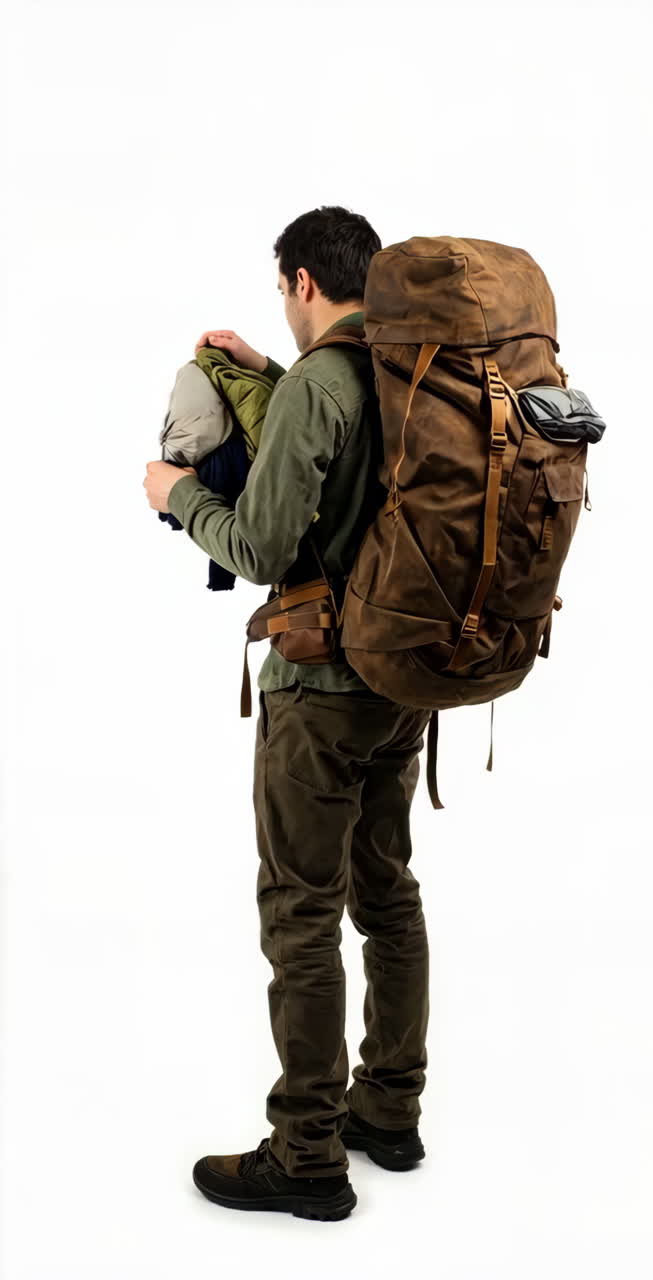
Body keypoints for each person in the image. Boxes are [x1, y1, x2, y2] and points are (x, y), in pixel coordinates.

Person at [144, 205, 431, 1221]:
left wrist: (177, 493)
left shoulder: (324, 380)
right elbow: (355, 460)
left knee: (301, 911)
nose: (283, 303)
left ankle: (306, 1149)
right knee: (385, 891)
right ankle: (389, 1110)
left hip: (320, 692)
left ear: (305, 280)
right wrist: (268, 365)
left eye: (282, 289)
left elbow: (262, 547)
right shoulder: (405, 367)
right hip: (406, 680)